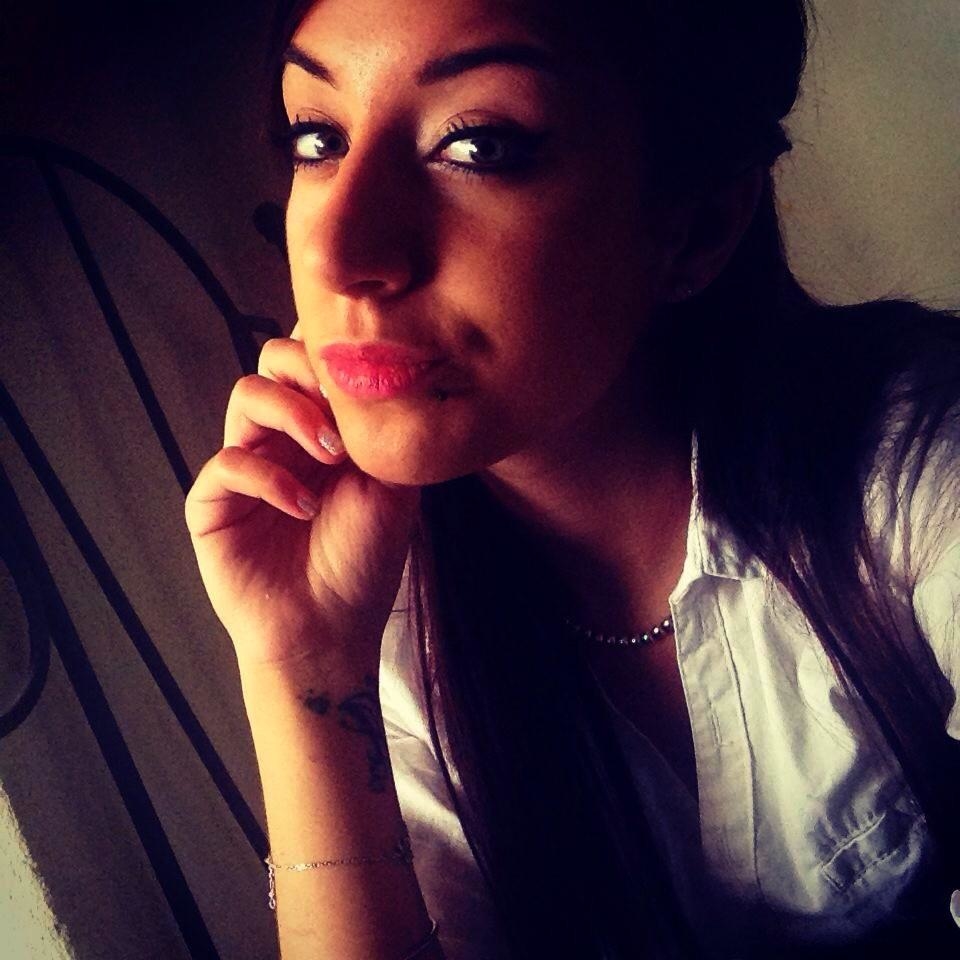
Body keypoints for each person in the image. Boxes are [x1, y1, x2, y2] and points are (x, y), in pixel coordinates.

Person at [183, 0, 960, 957]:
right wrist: (301, 669)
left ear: (695, 226)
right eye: (318, 138)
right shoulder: (379, 606)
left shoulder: (916, 461)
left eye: (478, 145)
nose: (339, 255)